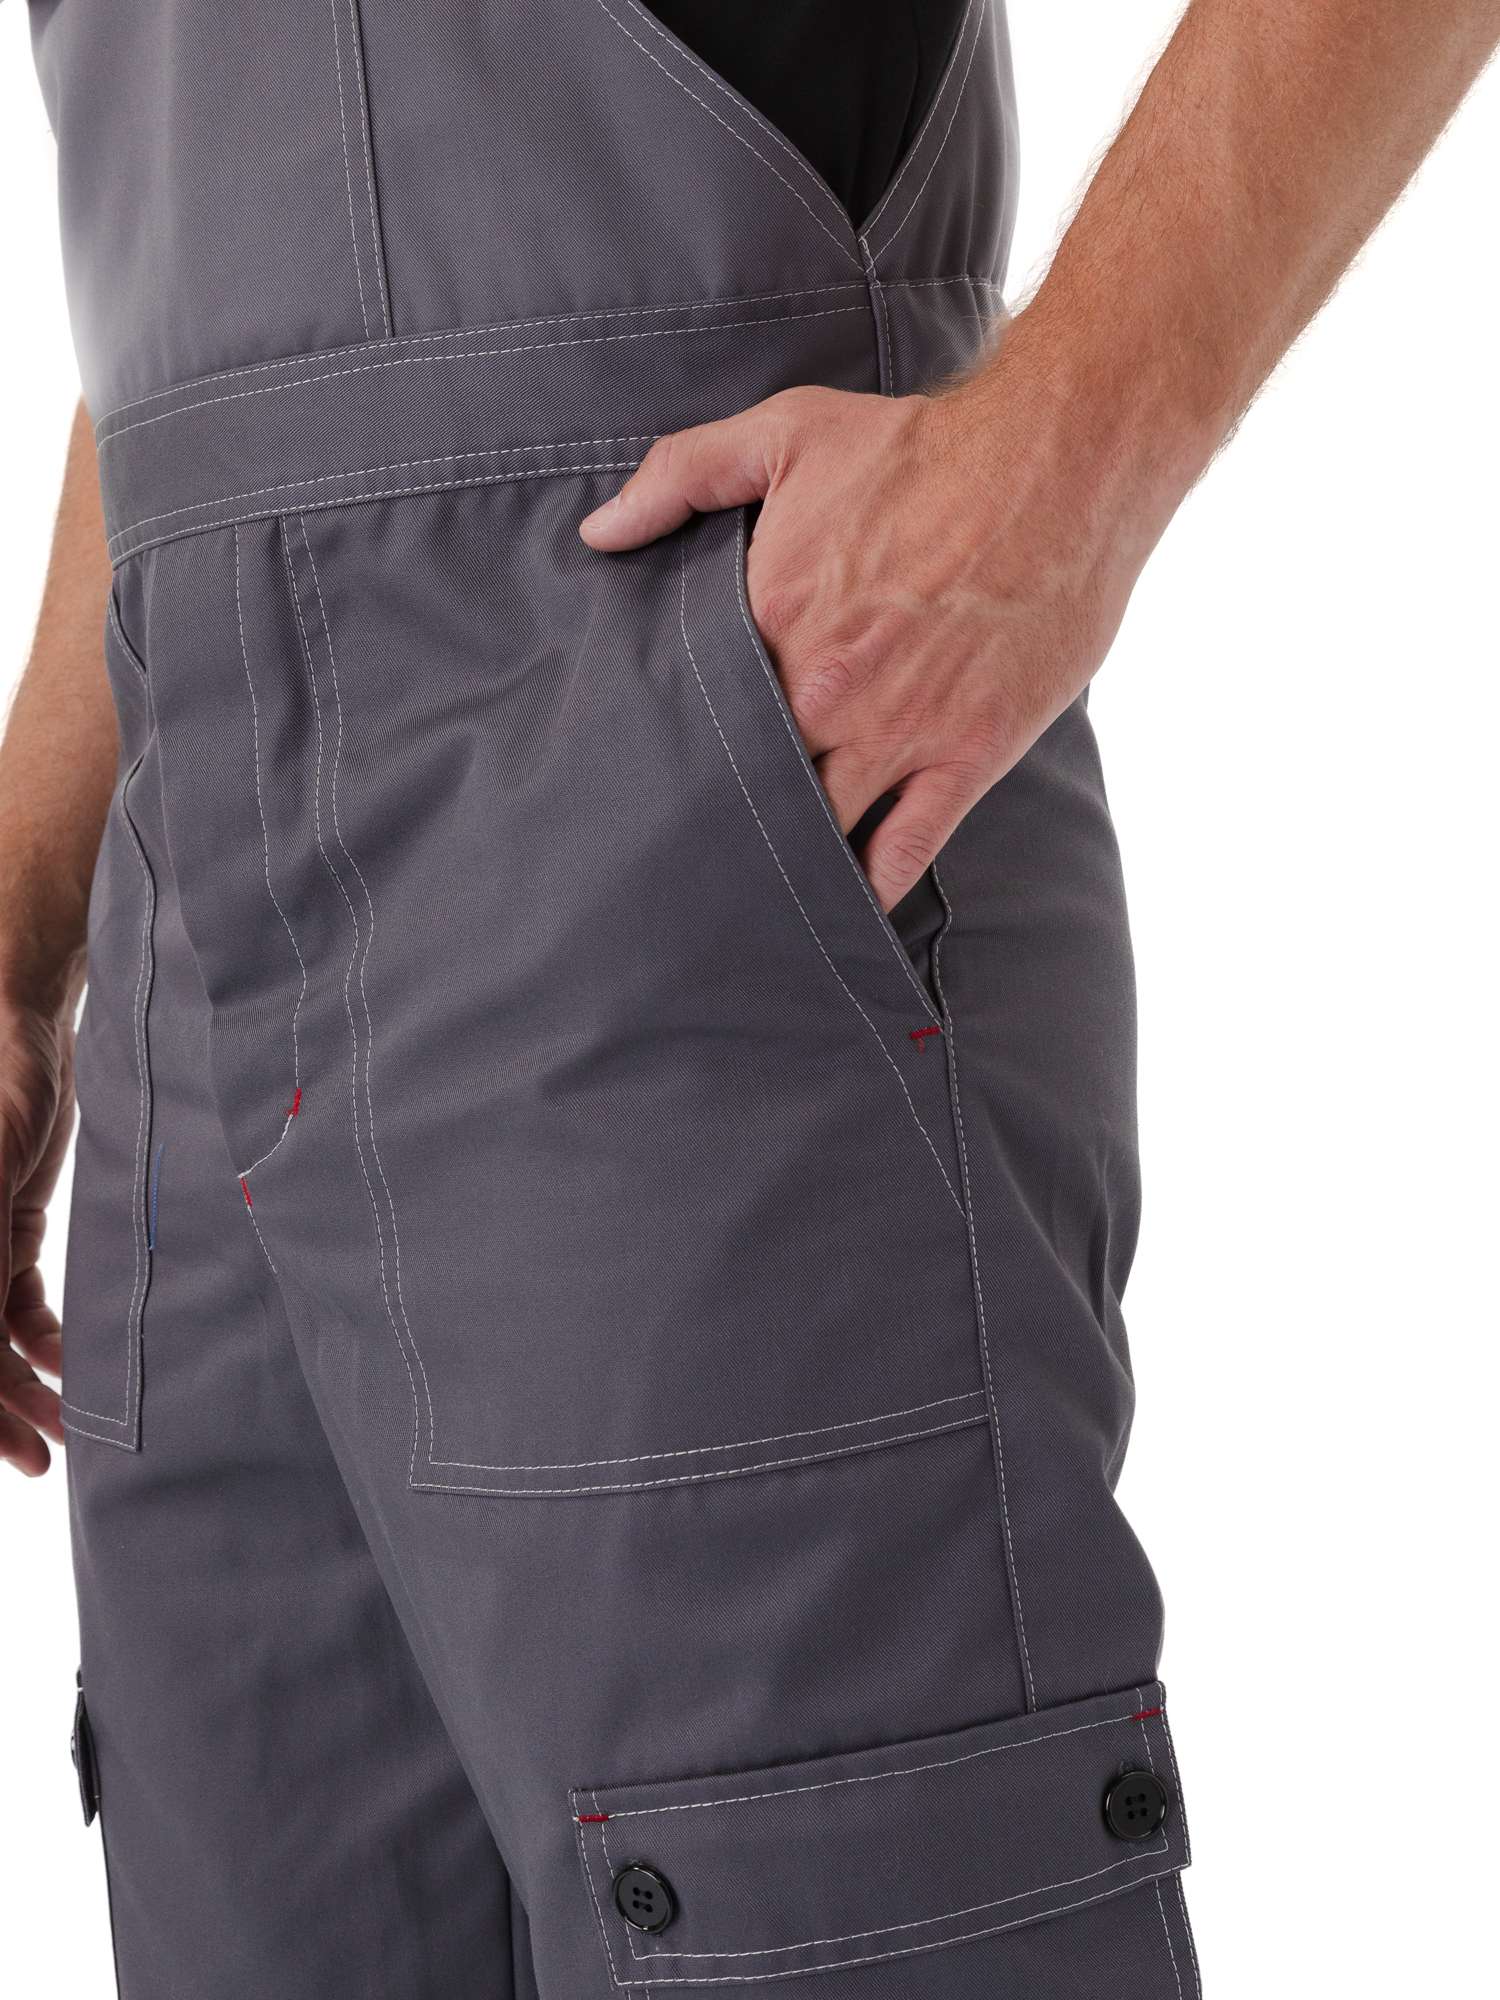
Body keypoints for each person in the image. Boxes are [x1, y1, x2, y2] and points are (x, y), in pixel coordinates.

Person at [2, 2, 1494, 1993]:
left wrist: (1064, 462)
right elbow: (205, 305)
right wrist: (17, 924)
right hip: (186, 946)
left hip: (684, 738)